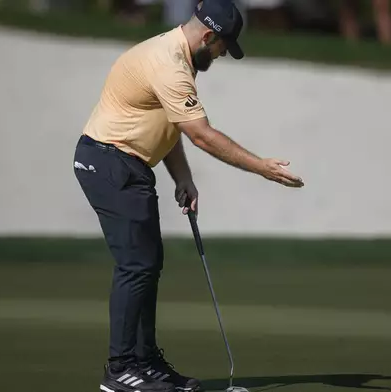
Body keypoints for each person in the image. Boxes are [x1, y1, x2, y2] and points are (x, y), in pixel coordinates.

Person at [72, 0, 305, 391]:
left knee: (147, 264)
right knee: (136, 266)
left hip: (126, 164)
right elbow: (200, 134)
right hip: (110, 162)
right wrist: (260, 166)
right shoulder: (170, 64)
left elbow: (169, 125)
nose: (221, 55)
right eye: (221, 48)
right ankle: (120, 370)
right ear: (208, 36)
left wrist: (183, 178)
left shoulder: (174, 56)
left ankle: (144, 362)